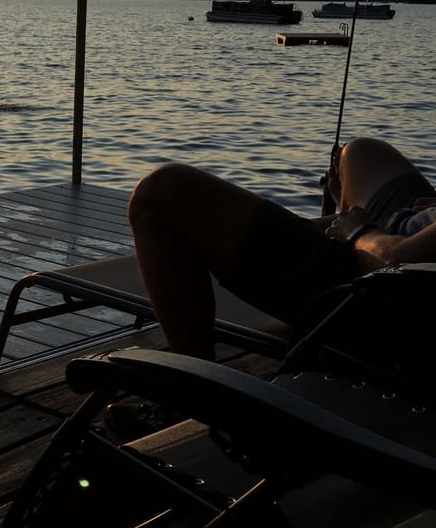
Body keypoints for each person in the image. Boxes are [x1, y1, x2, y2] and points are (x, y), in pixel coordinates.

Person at [127, 136, 436, 360]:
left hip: (383, 293)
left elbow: (395, 263)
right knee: (360, 152)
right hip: (411, 231)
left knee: (160, 193)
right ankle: (334, 229)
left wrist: (358, 230)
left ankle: (193, 389)